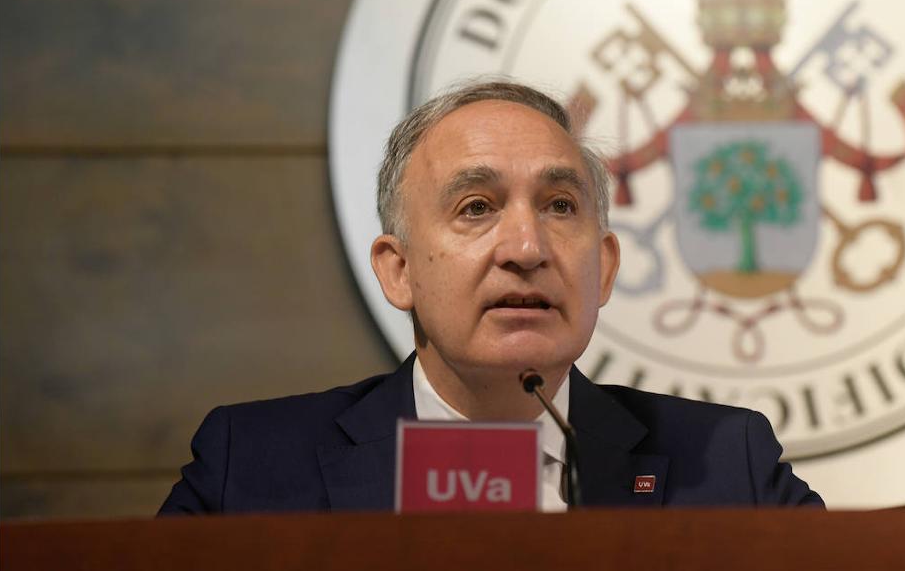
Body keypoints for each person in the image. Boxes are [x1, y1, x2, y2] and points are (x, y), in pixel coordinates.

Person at [160, 80, 823, 513]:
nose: (526, 248)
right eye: (476, 208)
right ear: (398, 271)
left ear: (606, 267)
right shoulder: (250, 468)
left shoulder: (729, 468)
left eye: (560, 206)